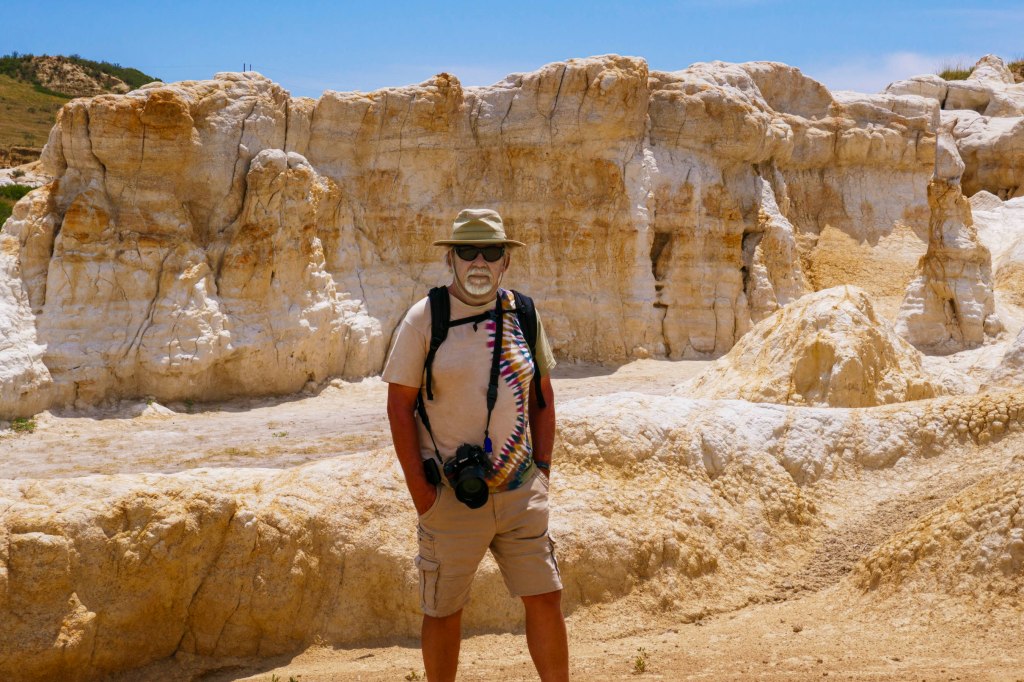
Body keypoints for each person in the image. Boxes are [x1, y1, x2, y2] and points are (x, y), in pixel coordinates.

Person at [383, 208, 569, 682]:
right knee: (444, 610)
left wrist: (542, 471)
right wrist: (422, 495)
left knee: (546, 597)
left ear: (506, 259)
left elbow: (543, 397)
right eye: (468, 251)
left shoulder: (523, 314)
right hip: (449, 495)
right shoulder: (425, 319)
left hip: (520, 491)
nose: (479, 261)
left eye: (491, 251)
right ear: (451, 258)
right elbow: (399, 407)